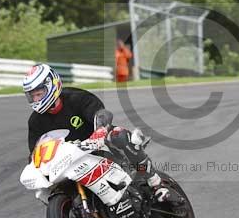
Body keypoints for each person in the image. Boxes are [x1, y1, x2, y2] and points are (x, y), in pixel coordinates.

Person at [23, 63, 166, 199]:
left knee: (118, 135)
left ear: (52, 85)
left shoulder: (76, 97)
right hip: (68, 163)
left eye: (39, 94)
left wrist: (99, 133)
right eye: (32, 96)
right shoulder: (35, 121)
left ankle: (156, 183)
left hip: (98, 146)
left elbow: (101, 114)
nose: (36, 99)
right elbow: (35, 153)